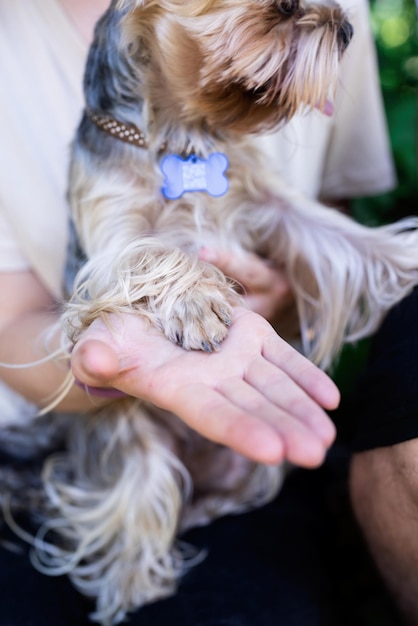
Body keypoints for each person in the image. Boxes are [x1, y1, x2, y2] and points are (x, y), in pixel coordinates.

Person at [0, 0, 407, 624]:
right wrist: (127, 344)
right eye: (282, 9)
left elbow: (303, 217)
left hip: (250, 448)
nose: (333, 29)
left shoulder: (234, 118)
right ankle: (129, 556)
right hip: (98, 443)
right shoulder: (94, 135)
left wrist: (356, 272)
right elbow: (71, 292)